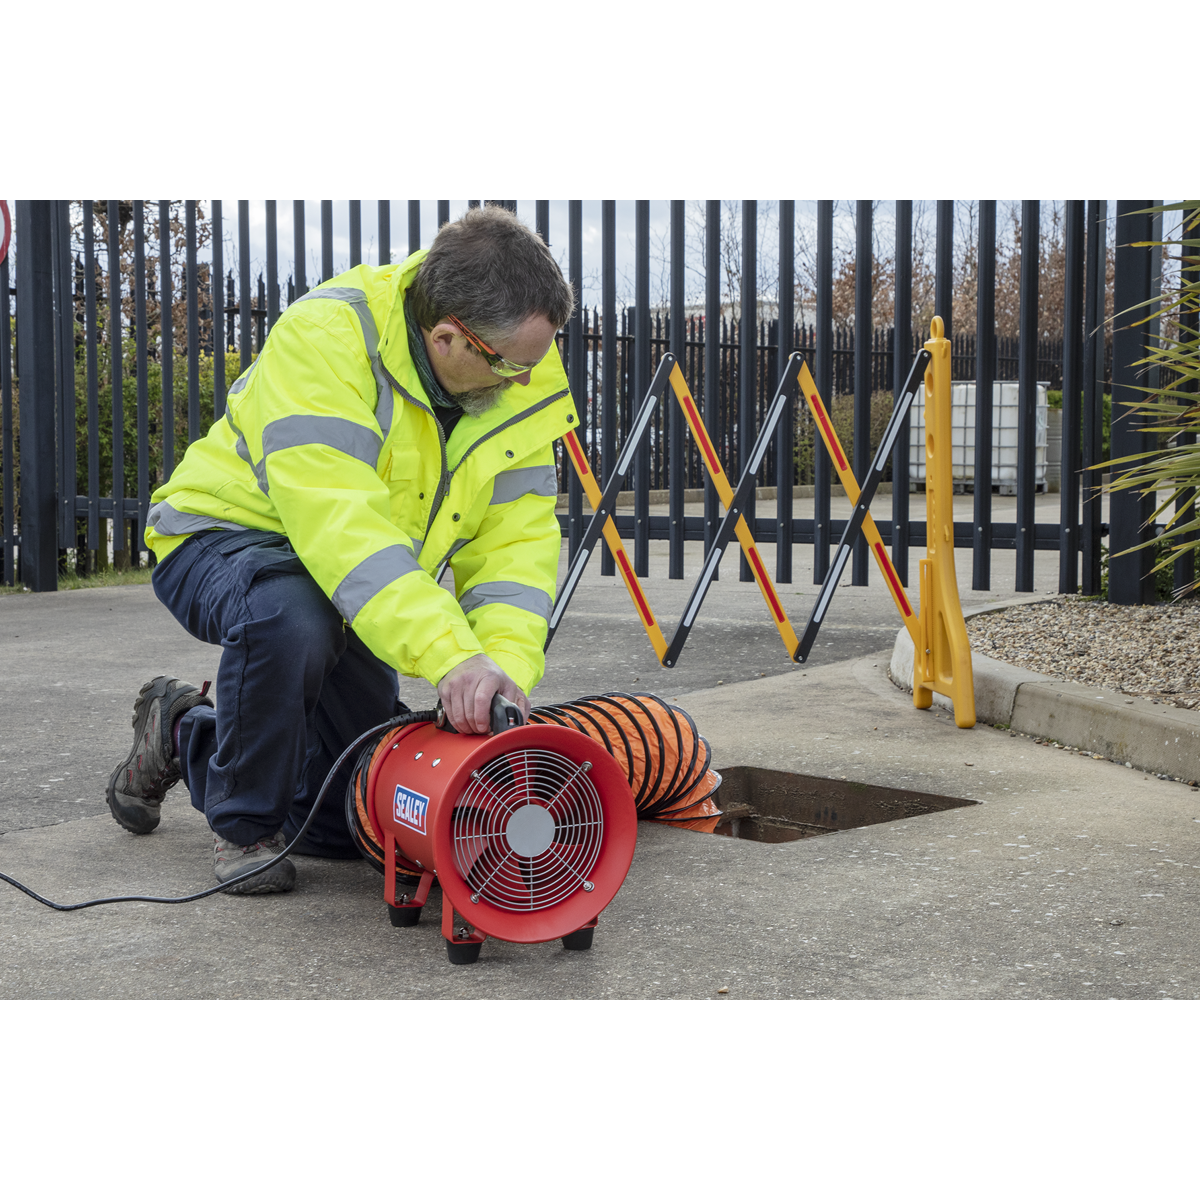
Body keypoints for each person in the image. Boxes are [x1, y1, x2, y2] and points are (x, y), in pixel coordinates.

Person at [106, 205, 577, 894]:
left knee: (350, 817)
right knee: (293, 617)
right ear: (449, 337)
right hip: (224, 539)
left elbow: (516, 546)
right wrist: (448, 655)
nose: (527, 381)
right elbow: (339, 524)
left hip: (346, 574)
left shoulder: (515, 365)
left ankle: (183, 731)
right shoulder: (326, 338)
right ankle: (244, 830)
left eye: (535, 360)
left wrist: (500, 666)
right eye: (511, 365)